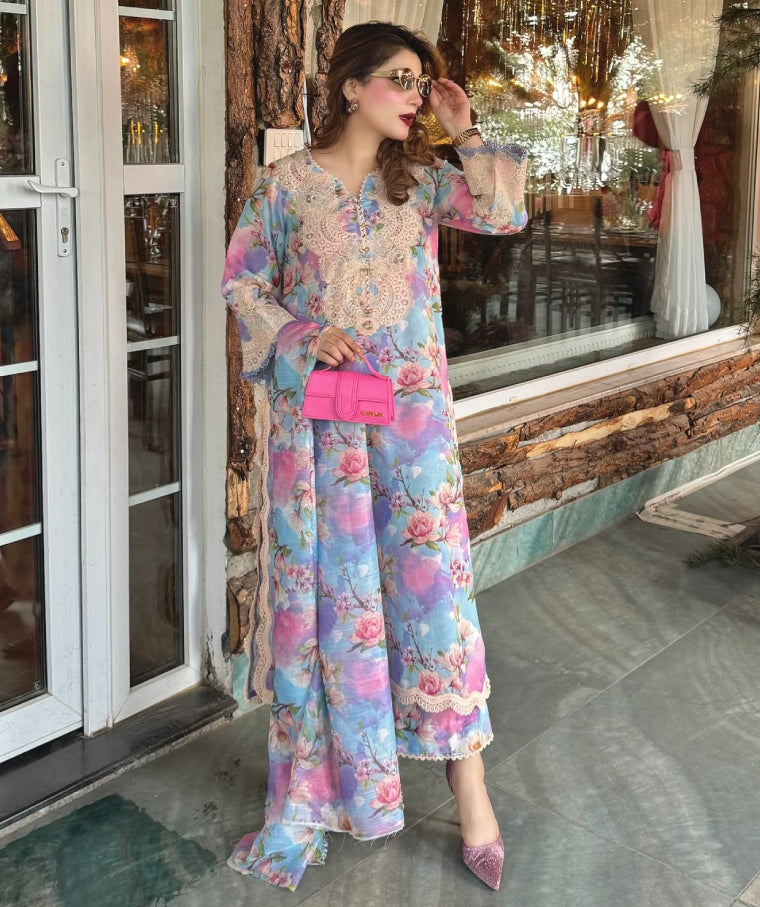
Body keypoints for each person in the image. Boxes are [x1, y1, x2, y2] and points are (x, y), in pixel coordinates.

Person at [222, 21, 527, 892]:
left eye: (421, 82)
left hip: (413, 432)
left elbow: (504, 213)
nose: (414, 96)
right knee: (332, 603)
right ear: (351, 86)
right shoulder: (284, 187)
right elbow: (243, 282)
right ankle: (326, 789)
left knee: (436, 602)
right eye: (400, 78)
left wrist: (464, 127)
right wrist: (303, 334)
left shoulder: (422, 184)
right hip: (322, 439)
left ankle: (471, 787)